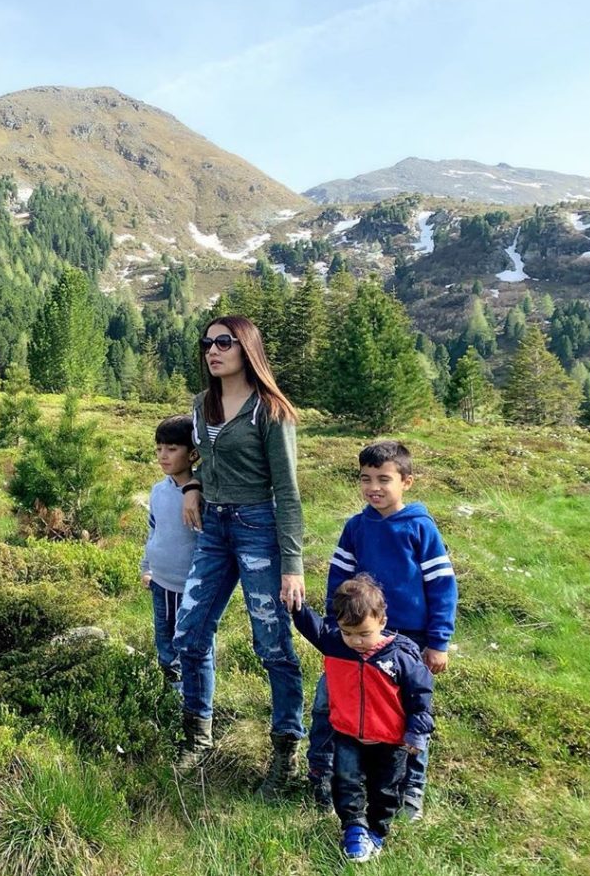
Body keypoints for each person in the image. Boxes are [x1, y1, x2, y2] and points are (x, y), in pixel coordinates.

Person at [173, 315, 306, 797]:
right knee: (189, 632)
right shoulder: (201, 404)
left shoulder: (270, 411)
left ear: (246, 348)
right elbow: (197, 458)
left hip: (258, 529)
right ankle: (198, 737)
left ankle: (286, 752)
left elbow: (287, 491)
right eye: (207, 342)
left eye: (224, 342)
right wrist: (191, 485)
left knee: (271, 643)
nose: (212, 350)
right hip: (214, 528)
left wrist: (292, 565)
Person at [306, 440, 457, 820]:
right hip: (355, 636)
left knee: (409, 713)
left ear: (407, 481)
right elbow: (339, 580)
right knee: (329, 703)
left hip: (410, 639)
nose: (374, 487)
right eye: (366, 478)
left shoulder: (421, 527)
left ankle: (410, 789)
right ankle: (323, 774)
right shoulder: (355, 527)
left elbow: (442, 586)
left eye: (384, 479)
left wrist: (438, 642)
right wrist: (335, 626)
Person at [293, 573, 434, 863]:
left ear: (382, 621)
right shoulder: (336, 645)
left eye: (364, 634)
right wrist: (295, 605)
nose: (356, 641)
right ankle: (354, 828)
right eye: (348, 632)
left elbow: (420, 698)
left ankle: (377, 832)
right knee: (345, 782)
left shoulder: (401, 657)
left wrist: (416, 732)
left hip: (390, 741)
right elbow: (311, 626)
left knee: (385, 790)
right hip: (347, 735)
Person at [139, 415, 200, 693]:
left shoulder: (200, 496)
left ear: (193, 453)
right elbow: (154, 531)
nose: (163, 456)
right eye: (159, 449)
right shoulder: (158, 491)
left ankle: (191, 695)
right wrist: (147, 567)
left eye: (172, 449)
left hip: (188, 584)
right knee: (163, 636)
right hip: (160, 581)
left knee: (188, 640)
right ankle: (170, 690)